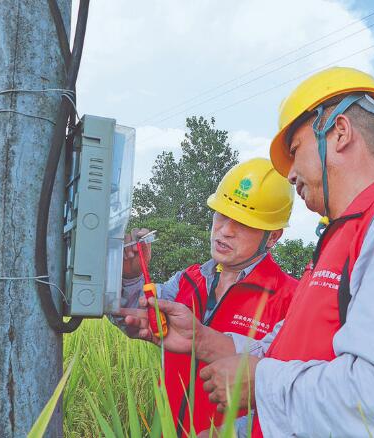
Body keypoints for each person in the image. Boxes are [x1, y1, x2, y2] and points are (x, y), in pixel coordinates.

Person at [128, 67, 374, 437]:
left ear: (339, 132)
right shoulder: (344, 240)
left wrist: (260, 384)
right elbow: (289, 351)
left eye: (294, 150)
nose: (289, 175)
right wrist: (201, 340)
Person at [115, 157, 298, 436]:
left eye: (244, 223)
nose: (225, 230)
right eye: (221, 215)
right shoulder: (187, 281)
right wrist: (130, 277)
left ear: (272, 237)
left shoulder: (290, 299)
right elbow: (133, 317)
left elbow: (289, 398)